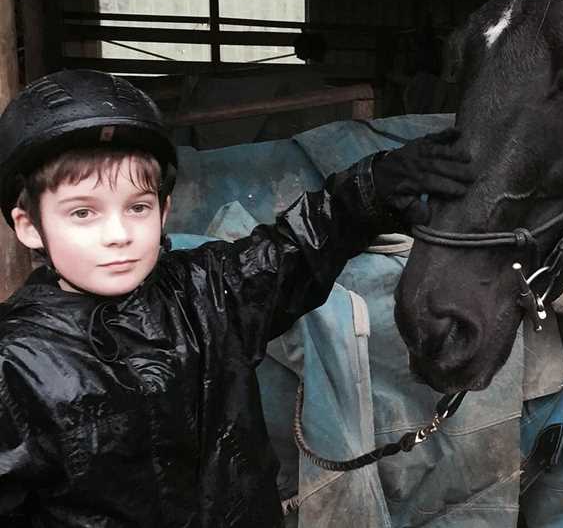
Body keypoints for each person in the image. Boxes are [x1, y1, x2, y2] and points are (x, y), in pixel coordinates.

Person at [0, 69, 473, 527]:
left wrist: (373, 189)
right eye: (83, 213)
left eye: (137, 207)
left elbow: (294, 250)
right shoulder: (16, 365)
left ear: (164, 212)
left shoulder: (206, 292)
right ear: (28, 226)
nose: (118, 234)